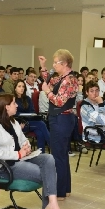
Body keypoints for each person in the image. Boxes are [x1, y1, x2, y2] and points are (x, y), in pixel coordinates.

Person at [0, 93, 60, 209]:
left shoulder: (13, 122)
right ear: (6, 107)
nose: (17, 106)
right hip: (5, 167)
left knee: (48, 159)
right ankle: (51, 205)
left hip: (21, 158)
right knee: (47, 174)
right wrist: (18, 154)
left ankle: (52, 203)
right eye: (14, 103)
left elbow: (23, 140)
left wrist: (27, 146)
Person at [39, 49, 78, 200]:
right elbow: (48, 80)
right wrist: (43, 66)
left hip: (62, 119)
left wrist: (47, 92)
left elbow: (59, 100)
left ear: (65, 63)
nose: (53, 65)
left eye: (56, 63)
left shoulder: (69, 80)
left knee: (58, 156)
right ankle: (65, 188)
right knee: (62, 155)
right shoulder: (63, 77)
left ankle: (60, 192)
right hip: (61, 118)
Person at [14, 80, 50, 153]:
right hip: (20, 124)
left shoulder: (27, 98)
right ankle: (52, 145)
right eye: (19, 86)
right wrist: (23, 115)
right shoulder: (12, 99)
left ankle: (41, 154)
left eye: (23, 86)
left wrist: (31, 115)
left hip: (29, 121)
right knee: (41, 124)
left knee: (40, 133)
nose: (22, 88)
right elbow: (13, 114)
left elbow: (32, 111)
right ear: (15, 88)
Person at [81, 81, 105, 146]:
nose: (95, 93)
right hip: (95, 135)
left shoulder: (99, 104)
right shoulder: (85, 106)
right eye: (91, 91)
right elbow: (102, 122)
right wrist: (101, 105)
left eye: (97, 91)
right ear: (86, 92)